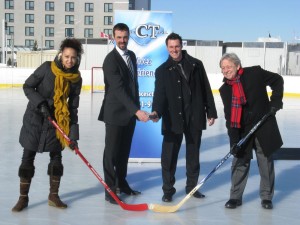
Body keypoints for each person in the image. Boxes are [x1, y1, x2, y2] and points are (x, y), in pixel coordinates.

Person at [11, 38, 83, 212]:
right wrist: (40, 103)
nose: (69, 60)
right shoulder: (46, 68)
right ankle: (23, 198)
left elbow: (73, 107)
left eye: (73, 58)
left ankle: (53, 196)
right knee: (27, 158)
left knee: (56, 160)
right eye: (66, 56)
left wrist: (73, 136)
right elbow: (28, 86)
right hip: (35, 120)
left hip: (57, 122)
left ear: (77, 59)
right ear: (61, 54)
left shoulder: (76, 79)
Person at [150, 32, 218, 202]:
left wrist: (211, 111)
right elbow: (159, 95)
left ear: (182, 46)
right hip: (173, 119)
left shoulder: (196, 64)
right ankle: (168, 190)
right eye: (171, 47)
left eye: (177, 46)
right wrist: (157, 112)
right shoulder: (162, 71)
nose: (175, 50)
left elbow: (205, 89)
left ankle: (192, 187)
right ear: (167, 48)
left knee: (193, 156)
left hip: (194, 116)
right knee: (169, 157)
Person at [219, 52, 284, 210]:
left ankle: (267, 197)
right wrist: (234, 142)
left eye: (228, 66)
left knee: (265, 161)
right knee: (240, 161)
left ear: (237, 65)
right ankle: (235, 197)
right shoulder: (225, 89)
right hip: (242, 129)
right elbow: (230, 118)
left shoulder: (254, 73)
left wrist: (274, 102)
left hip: (263, 123)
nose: (225, 70)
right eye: (222, 68)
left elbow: (277, 80)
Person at [98, 23, 149, 205]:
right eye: (119, 37)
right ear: (113, 37)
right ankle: (110, 190)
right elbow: (118, 90)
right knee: (111, 153)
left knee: (124, 152)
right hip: (115, 113)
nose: (122, 40)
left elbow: (133, 85)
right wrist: (136, 110)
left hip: (129, 114)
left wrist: (135, 109)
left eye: (125, 37)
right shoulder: (110, 60)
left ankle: (122, 183)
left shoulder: (132, 56)